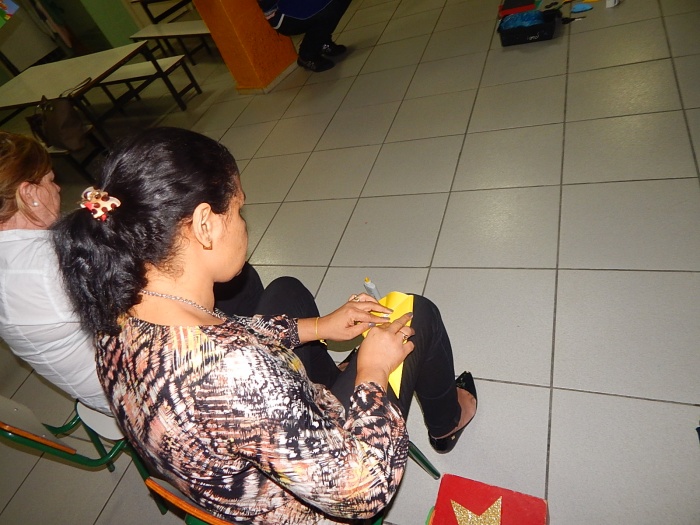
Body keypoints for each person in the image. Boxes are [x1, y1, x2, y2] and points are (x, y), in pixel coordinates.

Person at [53, 127, 477, 524]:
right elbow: (364, 492)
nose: (243, 224)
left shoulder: (116, 311)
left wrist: (320, 327)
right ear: (204, 225)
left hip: (243, 437)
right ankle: (446, 422)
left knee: (285, 290)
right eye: (238, 210)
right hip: (312, 503)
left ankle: (335, 376)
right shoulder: (237, 374)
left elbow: (227, 330)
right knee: (419, 314)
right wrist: (372, 371)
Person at [0, 131, 110, 414]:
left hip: (98, 378)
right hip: (131, 390)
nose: (58, 188)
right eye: (50, 180)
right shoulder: (45, 266)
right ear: (29, 194)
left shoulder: (18, 254)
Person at [257, 0, 350, 72]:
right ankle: (307, 55)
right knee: (326, 10)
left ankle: (321, 41)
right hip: (281, 13)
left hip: (294, 4)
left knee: (333, 4)